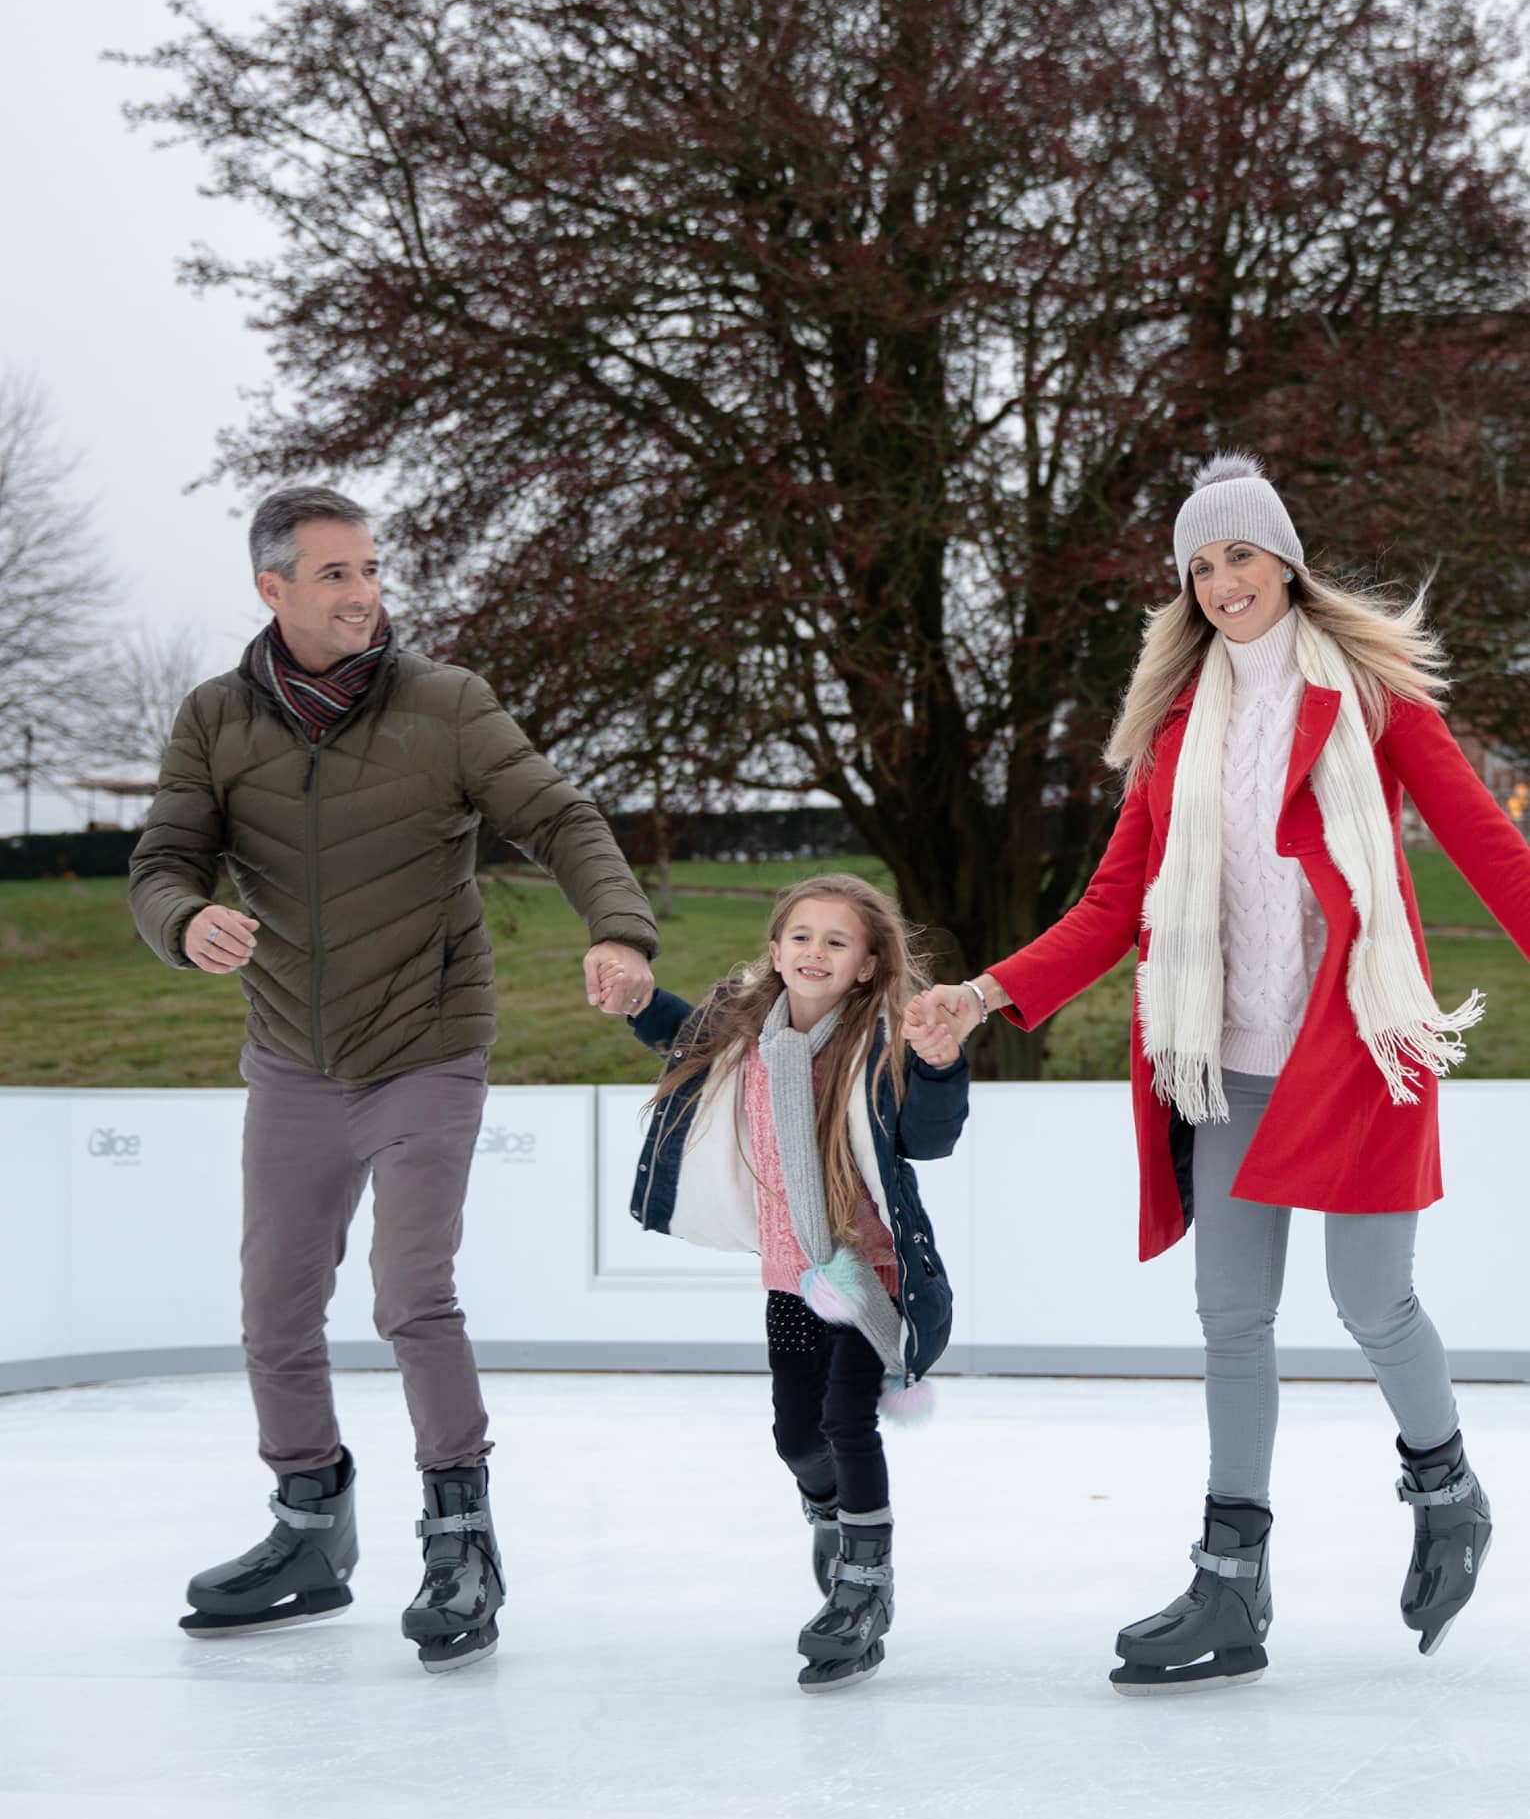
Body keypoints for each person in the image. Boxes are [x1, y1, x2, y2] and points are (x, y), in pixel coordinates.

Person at [909, 453, 1530, 1693]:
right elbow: (1110, 906)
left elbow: (1486, 844)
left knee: (1372, 1303)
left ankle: (1447, 1486)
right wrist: (983, 993)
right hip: (1229, 1062)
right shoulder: (1176, 736)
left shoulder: (1375, 698)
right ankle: (1231, 1582)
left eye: (1239, 554)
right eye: (1200, 565)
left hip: (1359, 1047)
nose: (1221, 580)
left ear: (1284, 560)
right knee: (1231, 1317)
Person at [129, 485, 658, 1673]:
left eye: (370, 567)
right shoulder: (216, 718)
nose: (365, 590)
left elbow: (563, 817)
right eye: (334, 574)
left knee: (412, 1288)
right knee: (274, 1302)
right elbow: (162, 859)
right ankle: (310, 1521)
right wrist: (184, 920)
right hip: (291, 1052)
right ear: (272, 589)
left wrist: (619, 929)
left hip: (425, 1035)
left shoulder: (447, 705)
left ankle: (460, 1533)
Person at [610, 873, 967, 1691]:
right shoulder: (746, 1031)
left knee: (847, 1419)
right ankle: (830, 1512)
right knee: (796, 1435)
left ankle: (865, 1582)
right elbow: (676, 1031)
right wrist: (636, 997)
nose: (814, 952)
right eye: (801, 936)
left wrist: (941, 1066)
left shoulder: (877, 1047)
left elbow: (927, 1134)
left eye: (836, 941)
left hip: (867, 1275)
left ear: (869, 966)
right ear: (775, 950)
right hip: (791, 1276)